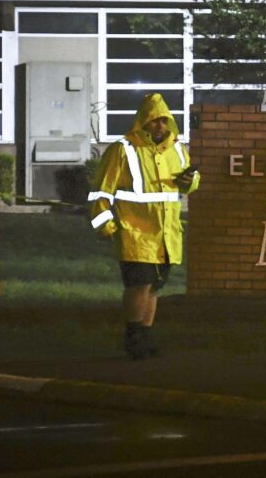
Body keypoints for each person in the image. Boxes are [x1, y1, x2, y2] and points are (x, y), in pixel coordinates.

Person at [88, 93, 200, 360]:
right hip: (135, 232)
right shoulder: (123, 149)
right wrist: (106, 225)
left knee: (153, 287)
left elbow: (191, 183)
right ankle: (133, 337)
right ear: (143, 122)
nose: (160, 126)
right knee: (139, 285)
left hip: (166, 235)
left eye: (164, 121)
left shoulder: (177, 150)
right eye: (154, 121)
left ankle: (145, 338)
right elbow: (101, 192)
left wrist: (190, 180)